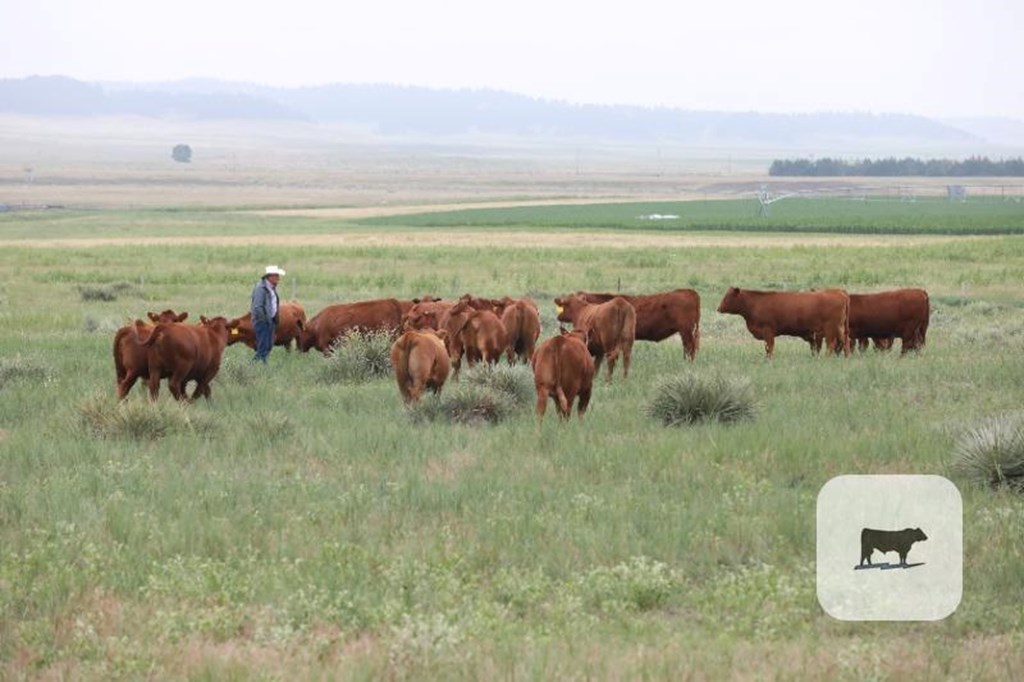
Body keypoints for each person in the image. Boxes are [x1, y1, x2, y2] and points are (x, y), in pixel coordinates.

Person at [251, 265, 285, 363]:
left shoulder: (270, 287)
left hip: (270, 321)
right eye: (276, 275)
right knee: (263, 346)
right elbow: (258, 307)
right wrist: (265, 320)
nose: (279, 278)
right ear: (270, 277)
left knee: (268, 345)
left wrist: (274, 319)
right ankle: (256, 365)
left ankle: (259, 365)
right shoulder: (260, 289)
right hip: (262, 322)